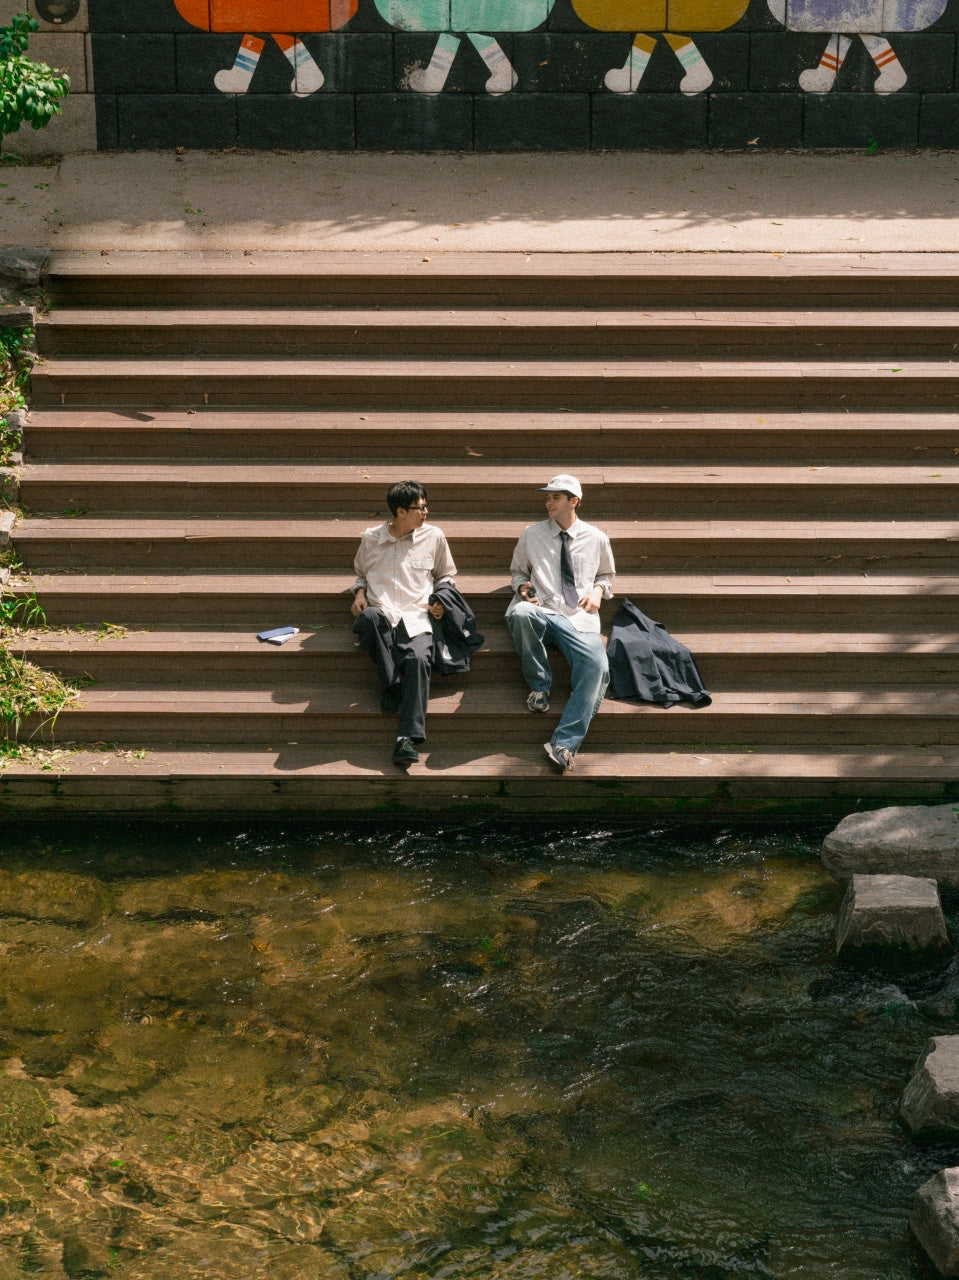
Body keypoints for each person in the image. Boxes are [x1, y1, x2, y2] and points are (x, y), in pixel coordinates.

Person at [507, 474, 616, 773]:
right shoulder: (531, 534)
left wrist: (597, 591)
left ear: (574, 501)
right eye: (548, 497)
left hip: (579, 617)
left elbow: (606, 577)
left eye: (556, 497)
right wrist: (522, 589)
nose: (549, 502)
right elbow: (517, 573)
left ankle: (564, 744)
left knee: (598, 668)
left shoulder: (596, 538)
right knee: (519, 614)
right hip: (542, 610)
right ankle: (539, 687)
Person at [351, 480, 455, 767]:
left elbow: (446, 576)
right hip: (382, 612)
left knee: (420, 658)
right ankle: (393, 685)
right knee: (368, 618)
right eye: (419, 508)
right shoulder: (371, 539)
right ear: (399, 511)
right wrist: (359, 592)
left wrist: (441, 600)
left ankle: (407, 739)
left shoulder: (434, 537)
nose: (425, 513)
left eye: (426, 506)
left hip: (417, 615)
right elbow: (360, 573)